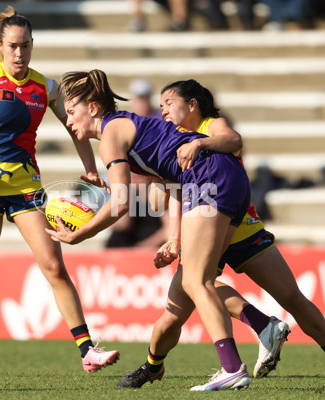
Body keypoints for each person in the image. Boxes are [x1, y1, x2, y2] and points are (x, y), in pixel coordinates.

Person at [117, 79, 325, 391]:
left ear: (192, 104)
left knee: (290, 297)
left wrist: (199, 143)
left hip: (237, 224)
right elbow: (175, 191)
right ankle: (152, 367)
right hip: (206, 226)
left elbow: (233, 140)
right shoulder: (173, 141)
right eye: (162, 104)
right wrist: (174, 238)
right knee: (176, 311)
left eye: (169, 102)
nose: (164, 109)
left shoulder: (211, 125)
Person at [50, 69, 256, 391]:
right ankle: (159, 365)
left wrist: (80, 234)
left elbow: (120, 203)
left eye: (72, 111)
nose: (68, 119)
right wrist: (174, 238)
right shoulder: (129, 127)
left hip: (210, 178)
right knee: (184, 292)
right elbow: (172, 183)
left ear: (92, 108)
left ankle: (232, 367)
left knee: (195, 280)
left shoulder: (110, 136)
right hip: (231, 179)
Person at [0, 7, 119, 372]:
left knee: (54, 265)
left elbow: (75, 126)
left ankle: (87, 350)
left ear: (33, 45)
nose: (19, 54)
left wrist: (89, 166)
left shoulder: (47, 87)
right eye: (13, 47)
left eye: (25, 46)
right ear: (0, 46)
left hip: (26, 190)